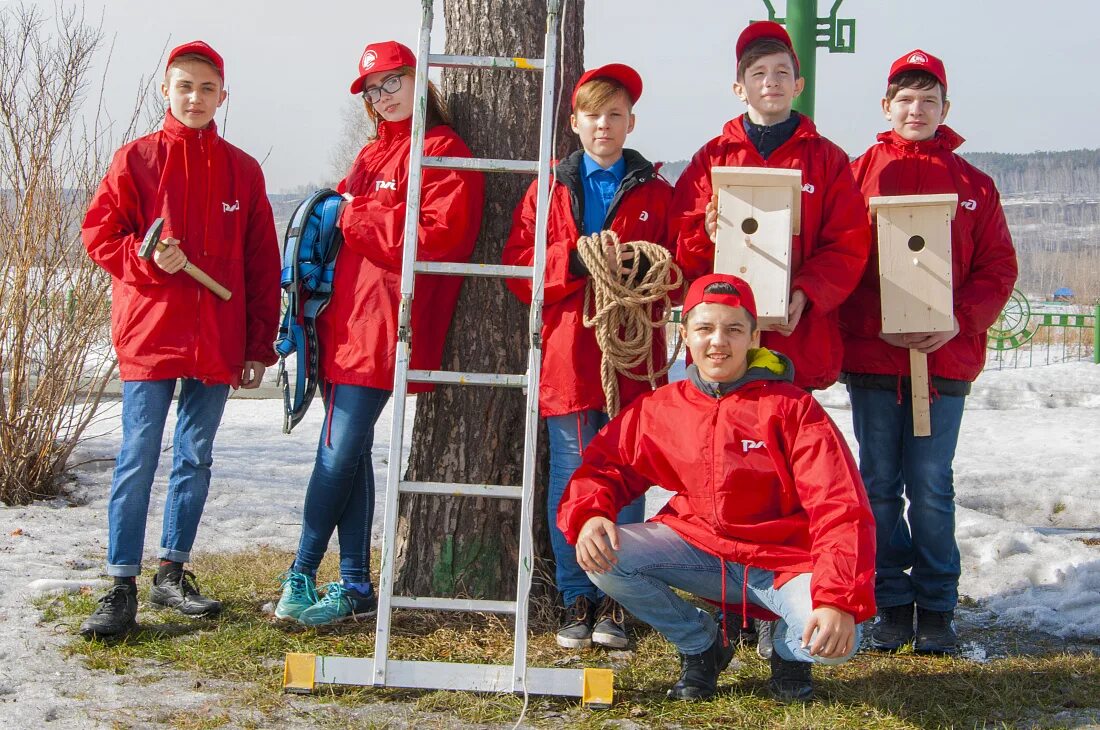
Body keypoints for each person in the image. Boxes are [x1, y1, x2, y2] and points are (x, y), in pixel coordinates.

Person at [557, 273, 875, 701]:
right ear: (685, 333)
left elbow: (840, 506)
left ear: (754, 336)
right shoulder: (662, 408)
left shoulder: (793, 408)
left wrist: (837, 599)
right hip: (702, 549)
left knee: (840, 645)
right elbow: (603, 467)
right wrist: (592, 513)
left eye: (733, 329)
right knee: (601, 556)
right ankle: (702, 644)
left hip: (785, 561)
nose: (717, 342)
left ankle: (787, 649)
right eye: (704, 328)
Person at [669, 20, 871, 656]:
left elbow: (849, 244)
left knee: (798, 483)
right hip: (728, 353)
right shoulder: (712, 160)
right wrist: (701, 230)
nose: (771, 83)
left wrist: (805, 294)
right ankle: (729, 608)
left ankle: (792, 604)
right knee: (723, 478)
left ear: (799, 82)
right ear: (739, 86)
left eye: (781, 72)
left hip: (794, 344)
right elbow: (685, 249)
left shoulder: (827, 160)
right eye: (758, 73)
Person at [274, 40, 484, 626]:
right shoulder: (369, 157)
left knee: (338, 455)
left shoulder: (445, 152)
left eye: (393, 81)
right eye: (373, 88)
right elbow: (341, 233)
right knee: (352, 454)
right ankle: (354, 583)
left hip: (385, 329)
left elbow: (438, 238)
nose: (383, 95)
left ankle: (302, 569)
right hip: (341, 325)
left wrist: (350, 215)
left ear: (420, 81)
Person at [80, 41, 281, 638]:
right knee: (138, 456)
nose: (195, 98)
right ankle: (120, 584)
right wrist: (149, 264)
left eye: (207, 88)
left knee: (195, 456)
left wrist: (256, 345)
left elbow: (260, 265)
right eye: (184, 86)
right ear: (164, 91)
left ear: (224, 96)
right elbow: (99, 236)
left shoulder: (242, 171)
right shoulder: (134, 161)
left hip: (217, 340)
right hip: (151, 335)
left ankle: (172, 572)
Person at [840, 49, 1017, 654]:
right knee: (880, 484)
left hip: (944, 363)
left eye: (929, 100)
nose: (916, 110)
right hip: (873, 361)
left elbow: (997, 268)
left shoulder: (974, 185)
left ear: (945, 108)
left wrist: (956, 321)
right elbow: (840, 265)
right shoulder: (858, 175)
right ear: (886, 106)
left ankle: (937, 605)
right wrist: (880, 325)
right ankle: (891, 601)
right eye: (905, 100)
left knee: (932, 484)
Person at [502, 63, 674, 649]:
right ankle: (577, 592)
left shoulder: (656, 191)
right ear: (574, 123)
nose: (604, 124)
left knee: (627, 475)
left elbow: (681, 265)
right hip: (570, 357)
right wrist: (571, 264)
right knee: (572, 476)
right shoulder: (546, 188)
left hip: (633, 358)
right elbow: (519, 268)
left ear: (631, 122)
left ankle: (619, 596)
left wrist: (652, 270)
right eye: (593, 114)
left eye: (615, 114)